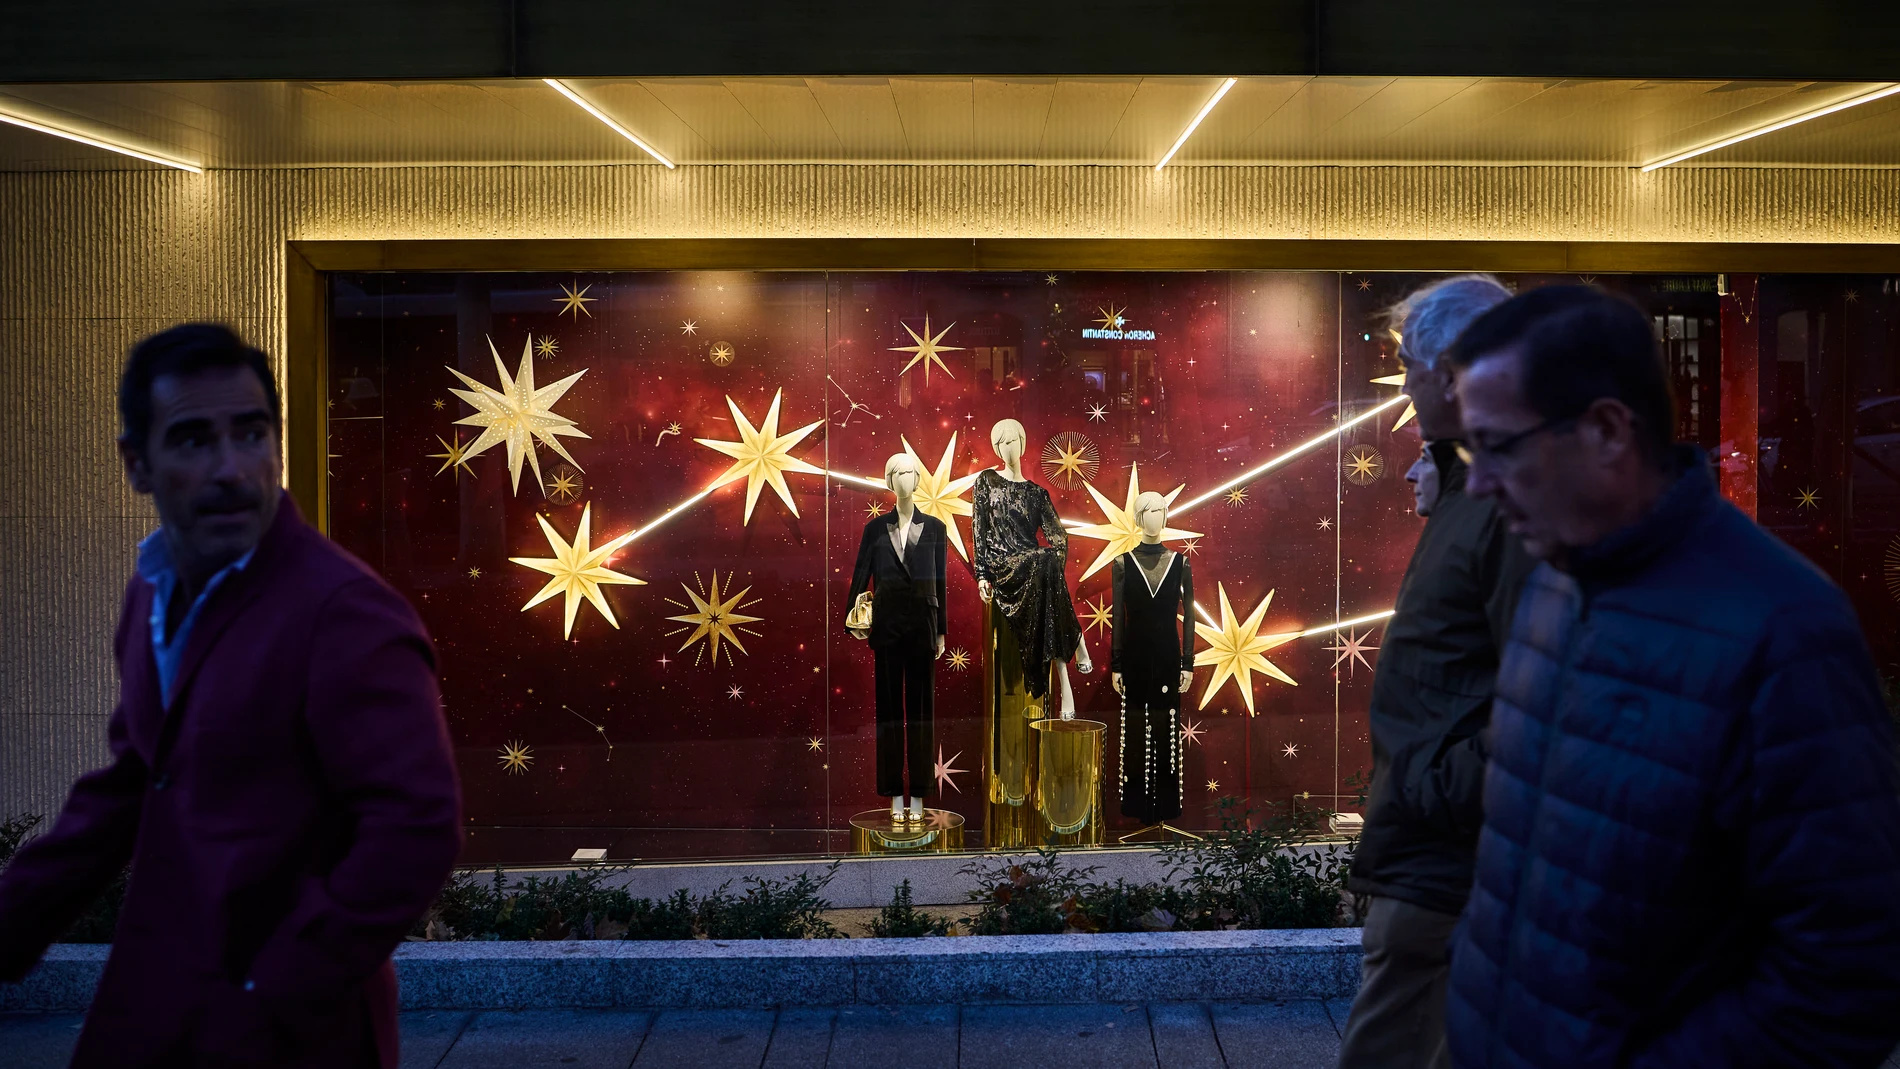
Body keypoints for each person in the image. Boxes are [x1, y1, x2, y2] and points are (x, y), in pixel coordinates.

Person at [1442, 286, 1900, 1068]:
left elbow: (1849, 971)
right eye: (1466, 452)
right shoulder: (1554, 580)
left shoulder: (1782, 633)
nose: (1479, 484)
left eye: (1498, 447)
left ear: (1608, 430)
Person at [0, 324, 463, 1068]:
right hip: (156, 1005)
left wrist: (276, 984)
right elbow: (133, 781)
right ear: (136, 463)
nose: (231, 469)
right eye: (192, 439)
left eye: (251, 434)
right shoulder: (152, 589)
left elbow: (416, 828)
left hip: (289, 1033)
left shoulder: (344, 612)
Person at [1338, 274, 1533, 1069]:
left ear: (1450, 373)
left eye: (1410, 366)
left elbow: (1542, 693)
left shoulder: (1505, 497)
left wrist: (1439, 786)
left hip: (1448, 863)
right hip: (1429, 853)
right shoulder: (1464, 484)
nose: (1405, 384)